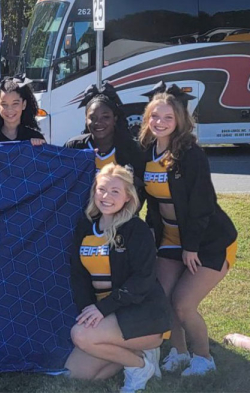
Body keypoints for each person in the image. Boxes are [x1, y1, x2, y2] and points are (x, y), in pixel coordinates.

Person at [138, 82, 238, 376]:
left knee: (183, 304)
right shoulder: (146, 150)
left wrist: (191, 247)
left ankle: (204, 358)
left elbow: (202, 206)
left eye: (168, 118)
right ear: (147, 117)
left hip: (207, 241)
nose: (160, 123)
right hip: (169, 239)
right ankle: (179, 353)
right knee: (162, 297)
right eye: (155, 116)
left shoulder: (191, 154)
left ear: (180, 120)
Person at [64, 164, 170, 392]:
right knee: (77, 374)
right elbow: (79, 276)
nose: (106, 196)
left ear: (127, 197)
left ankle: (140, 365)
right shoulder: (85, 227)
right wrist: (88, 312)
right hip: (108, 314)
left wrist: (103, 310)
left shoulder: (136, 229)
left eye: (115, 191)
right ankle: (136, 354)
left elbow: (143, 279)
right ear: (94, 192)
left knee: (80, 336)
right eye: (102, 189)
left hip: (141, 313)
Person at [64, 82, 144, 178]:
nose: (98, 122)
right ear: (85, 119)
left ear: (115, 119)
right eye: (92, 118)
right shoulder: (75, 146)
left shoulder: (131, 149)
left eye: (105, 117)